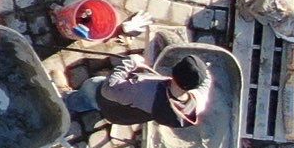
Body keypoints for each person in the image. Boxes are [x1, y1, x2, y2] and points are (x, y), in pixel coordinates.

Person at [70, 52, 209, 135]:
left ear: (174, 72)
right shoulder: (197, 105)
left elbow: (108, 89)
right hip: (128, 117)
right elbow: (206, 81)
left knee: (91, 87)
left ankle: (69, 102)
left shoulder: (144, 90)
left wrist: (130, 62)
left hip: (106, 101)